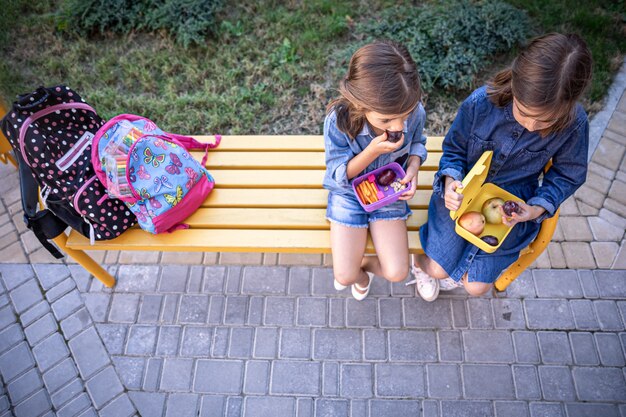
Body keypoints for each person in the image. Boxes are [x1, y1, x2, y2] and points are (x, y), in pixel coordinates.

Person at [411, 33, 593, 301]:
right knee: (438, 269)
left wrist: (535, 209)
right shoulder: (480, 103)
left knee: (475, 286)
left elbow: (568, 175)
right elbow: (454, 150)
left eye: (545, 121)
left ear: (568, 106)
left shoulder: (574, 125)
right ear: (516, 85)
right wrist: (451, 181)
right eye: (525, 113)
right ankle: (420, 264)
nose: (531, 126)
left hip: (515, 205)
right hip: (464, 193)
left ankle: (456, 269)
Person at [323, 40, 427, 300]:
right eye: (387, 119)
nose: (398, 127)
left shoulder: (413, 112)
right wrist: (370, 152)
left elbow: (417, 145)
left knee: (397, 272)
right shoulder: (339, 122)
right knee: (345, 276)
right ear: (360, 103)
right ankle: (361, 274)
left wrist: (413, 168)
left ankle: (367, 262)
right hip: (349, 193)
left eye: (406, 115)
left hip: (389, 191)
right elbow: (338, 175)